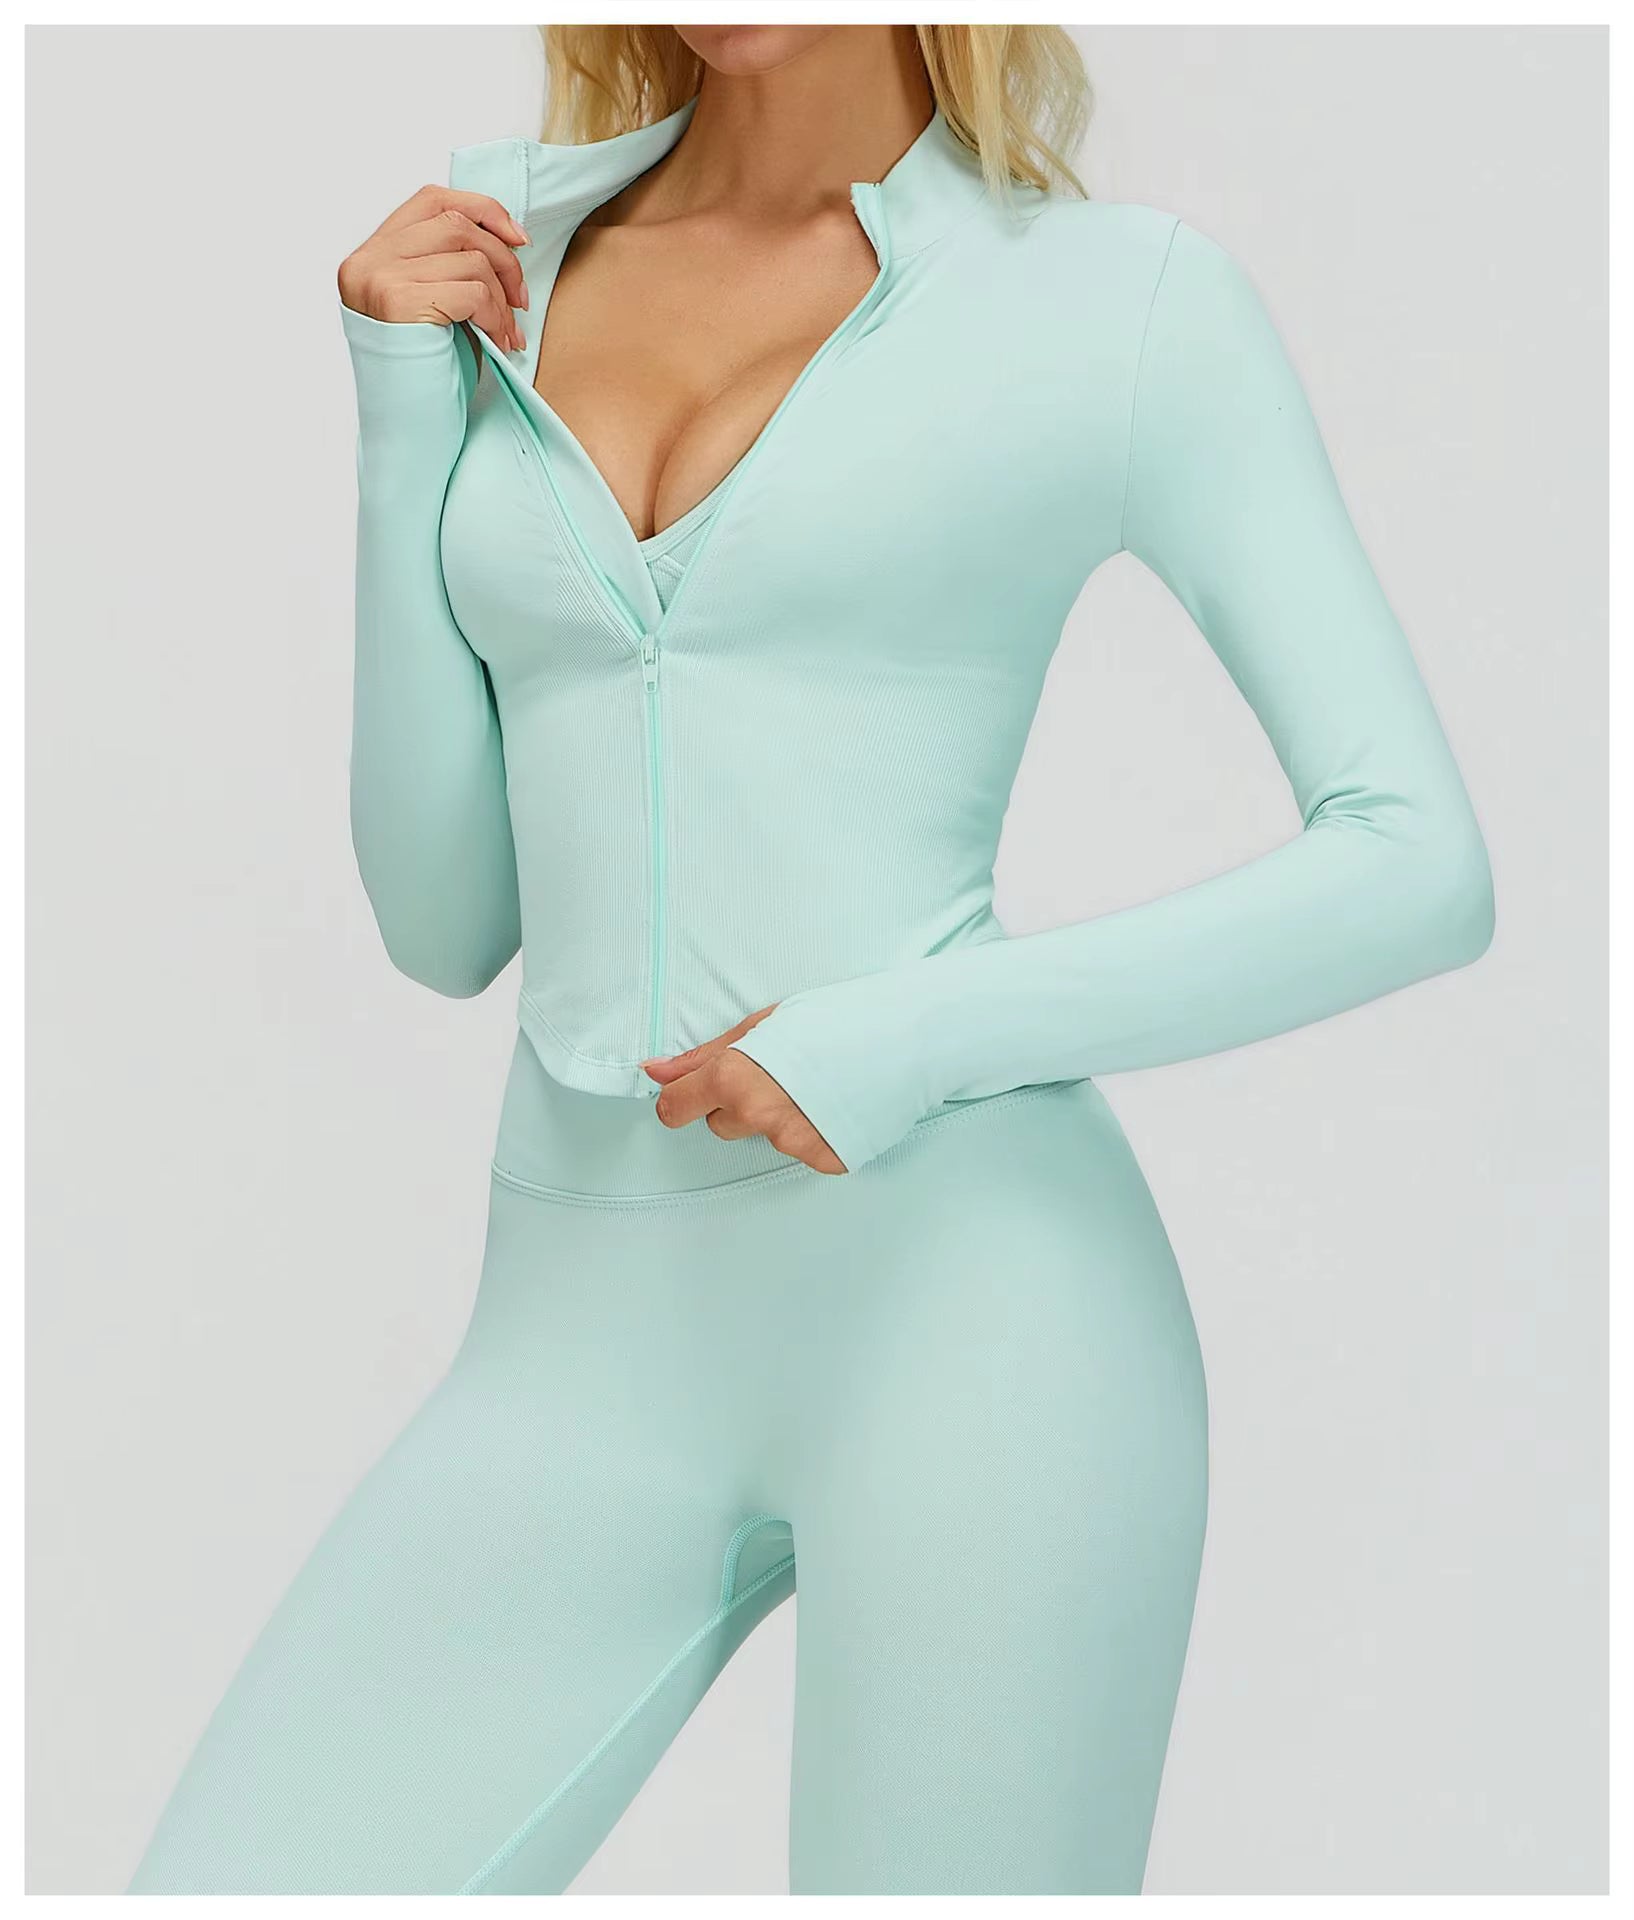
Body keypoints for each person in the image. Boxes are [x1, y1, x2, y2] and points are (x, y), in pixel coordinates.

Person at [126, 22, 1494, 1896]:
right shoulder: (497, 255)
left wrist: (898, 1035)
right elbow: (443, 927)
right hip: (570, 1350)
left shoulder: (1117, 302)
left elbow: (1415, 861)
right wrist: (394, 409)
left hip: (979, 1326)